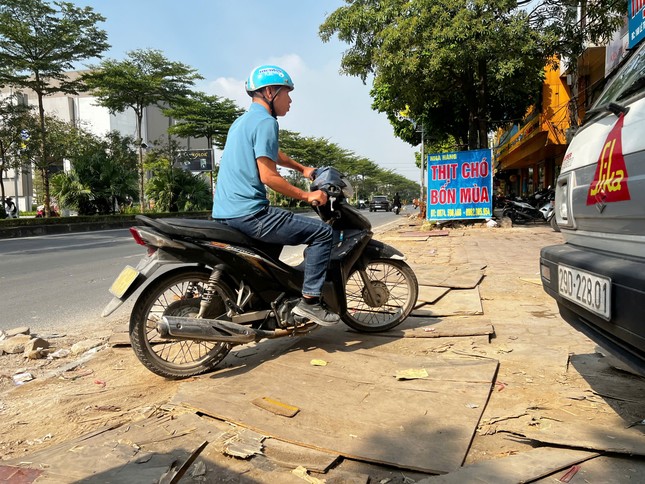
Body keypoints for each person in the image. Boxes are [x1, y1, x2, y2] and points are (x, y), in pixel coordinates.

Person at [212, 65, 339, 326]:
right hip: (251, 214)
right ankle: (311, 301)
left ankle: (261, 304)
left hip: (225, 214)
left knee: (269, 256)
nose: (290, 100)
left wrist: (303, 169)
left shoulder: (243, 122)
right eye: (287, 93)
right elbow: (268, 177)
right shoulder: (267, 122)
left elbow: (271, 152)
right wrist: (307, 196)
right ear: (270, 92)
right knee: (323, 233)